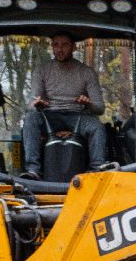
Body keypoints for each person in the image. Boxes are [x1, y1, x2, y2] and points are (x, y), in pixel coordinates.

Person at [21, 32, 108, 177]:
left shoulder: (87, 72)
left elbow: (100, 108)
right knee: (30, 119)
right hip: (50, 115)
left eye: (65, 45)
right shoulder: (42, 70)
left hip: (78, 116)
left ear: (74, 47)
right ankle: (33, 170)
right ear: (52, 47)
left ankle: (97, 170)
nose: (60, 49)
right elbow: (30, 104)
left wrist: (88, 104)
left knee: (96, 126)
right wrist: (37, 103)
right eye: (56, 45)